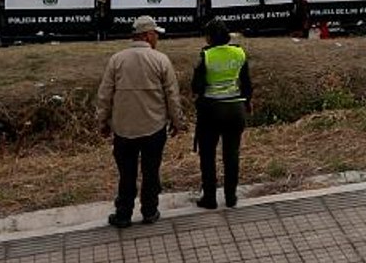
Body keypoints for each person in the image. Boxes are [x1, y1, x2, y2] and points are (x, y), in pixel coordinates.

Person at [95, 15, 186, 228]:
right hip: (154, 128)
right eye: (155, 34)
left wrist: (102, 122)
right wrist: (178, 122)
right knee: (151, 171)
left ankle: (123, 214)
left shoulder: (116, 60)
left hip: (123, 129)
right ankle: (150, 211)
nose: (157, 38)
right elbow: (172, 96)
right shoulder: (161, 60)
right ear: (147, 35)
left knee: (127, 174)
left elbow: (104, 95)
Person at [191, 20, 252, 210]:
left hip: (211, 109)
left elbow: (196, 86)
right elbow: (247, 83)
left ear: (209, 37)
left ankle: (210, 198)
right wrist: (247, 102)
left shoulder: (206, 55)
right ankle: (231, 196)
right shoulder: (239, 53)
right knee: (231, 154)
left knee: (208, 155)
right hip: (235, 108)